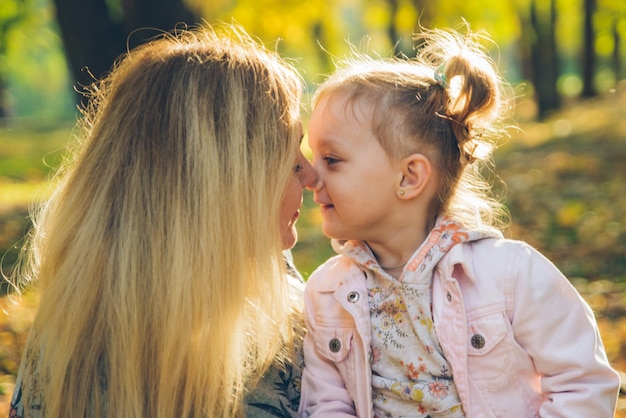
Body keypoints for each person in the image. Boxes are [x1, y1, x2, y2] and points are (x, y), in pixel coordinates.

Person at [299, 26, 620, 417]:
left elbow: (583, 383)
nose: (311, 176)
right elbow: (325, 405)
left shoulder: (511, 275)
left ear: (409, 177)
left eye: (331, 160)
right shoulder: (326, 295)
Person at [8, 23, 316, 417]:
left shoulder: (61, 337)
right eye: (292, 161)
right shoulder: (70, 350)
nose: (311, 177)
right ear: (227, 187)